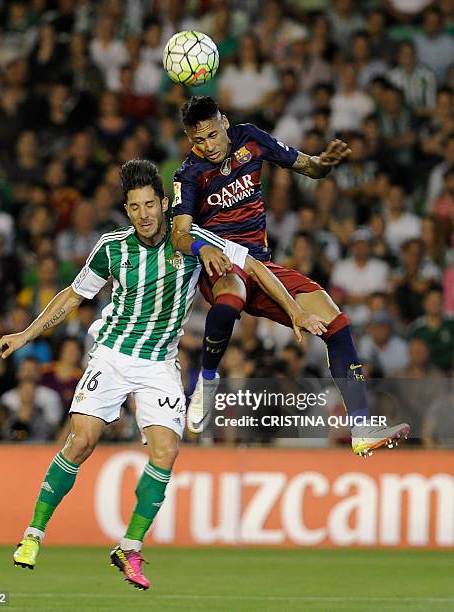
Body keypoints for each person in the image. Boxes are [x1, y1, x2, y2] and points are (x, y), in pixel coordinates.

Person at [0, 159, 324, 589]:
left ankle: (129, 547)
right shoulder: (113, 247)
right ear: (127, 211)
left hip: (159, 363)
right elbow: (72, 296)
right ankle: (33, 534)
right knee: (82, 441)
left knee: (167, 452)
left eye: (150, 204)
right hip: (112, 354)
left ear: (165, 204)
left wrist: (294, 309)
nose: (144, 214)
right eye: (135, 207)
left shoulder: (191, 240)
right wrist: (25, 333)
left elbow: (257, 267)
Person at [171, 95, 409, 457]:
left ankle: (361, 428)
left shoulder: (250, 138)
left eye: (212, 135)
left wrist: (324, 164)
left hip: (263, 268)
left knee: (336, 322)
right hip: (219, 264)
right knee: (231, 295)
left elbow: (309, 166)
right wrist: (202, 249)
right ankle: (207, 380)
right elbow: (179, 233)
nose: (208, 146)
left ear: (224, 121)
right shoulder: (189, 174)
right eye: (198, 140)